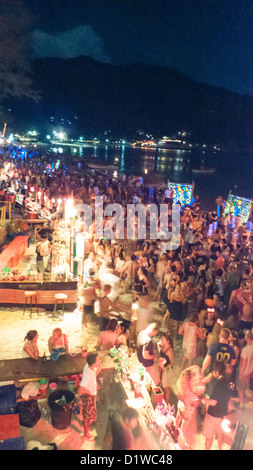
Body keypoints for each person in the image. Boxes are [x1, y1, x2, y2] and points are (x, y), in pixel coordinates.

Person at [202, 361, 235, 450]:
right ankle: (219, 448)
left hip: (213, 415)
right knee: (220, 434)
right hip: (223, 416)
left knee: (209, 436)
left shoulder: (218, 383)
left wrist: (202, 400)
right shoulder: (228, 382)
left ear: (216, 371)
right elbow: (230, 400)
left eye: (213, 371)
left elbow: (213, 402)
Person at [77, 353, 101, 441]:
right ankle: (86, 434)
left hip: (91, 394)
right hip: (88, 396)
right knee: (87, 417)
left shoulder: (89, 366)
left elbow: (93, 375)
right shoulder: (87, 375)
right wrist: (90, 393)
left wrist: (98, 370)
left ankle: (87, 423)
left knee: (89, 415)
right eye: (98, 360)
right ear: (93, 363)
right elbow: (80, 390)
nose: (99, 361)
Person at [237, 330, 253, 409]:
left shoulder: (245, 349)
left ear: (247, 337)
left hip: (244, 372)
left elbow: (243, 363)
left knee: (241, 389)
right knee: (248, 388)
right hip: (250, 372)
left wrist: (240, 374)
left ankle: (241, 405)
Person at [157, 332, 174, 404]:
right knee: (163, 386)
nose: (162, 340)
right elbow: (160, 353)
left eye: (163, 339)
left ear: (168, 341)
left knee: (167, 388)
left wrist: (167, 366)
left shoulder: (169, 350)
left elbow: (172, 362)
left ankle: (166, 403)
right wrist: (158, 345)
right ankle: (163, 400)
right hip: (161, 368)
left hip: (166, 370)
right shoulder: (162, 346)